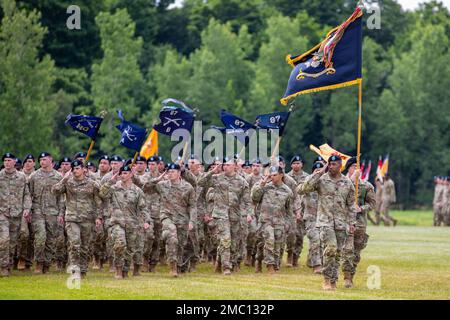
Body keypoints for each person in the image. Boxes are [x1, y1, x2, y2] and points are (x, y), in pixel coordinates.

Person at [297, 155, 357, 290]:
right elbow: (302, 189)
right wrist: (319, 173)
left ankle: (333, 280)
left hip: (341, 223)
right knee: (330, 249)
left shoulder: (347, 183)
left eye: (334, 164)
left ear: (340, 165)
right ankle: (326, 279)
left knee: (337, 254)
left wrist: (352, 223)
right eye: (329, 164)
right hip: (325, 222)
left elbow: (351, 205)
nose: (331, 167)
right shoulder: (321, 180)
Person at [198, 157, 252, 275]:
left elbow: (247, 201)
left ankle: (220, 262)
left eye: (228, 165)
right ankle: (226, 267)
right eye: (224, 165)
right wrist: (212, 171)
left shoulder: (242, 182)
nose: (225, 167)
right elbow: (200, 182)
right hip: (220, 215)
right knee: (225, 239)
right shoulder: (217, 178)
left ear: (235, 166)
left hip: (235, 216)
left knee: (233, 242)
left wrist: (249, 214)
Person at [52, 160, 102, 278]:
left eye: (78, 168)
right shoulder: (68, 182)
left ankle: (83, 269)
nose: (75, 171)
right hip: (72, 218)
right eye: (73, 169)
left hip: (87, 218)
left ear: (84, 169)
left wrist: (98, 217)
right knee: (74, 244)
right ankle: (74, 269)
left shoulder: (92, 184)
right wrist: (64, 178)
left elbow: (98, 201)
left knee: (85, 247)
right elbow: (54, 191)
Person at [99, 165, 150, 279]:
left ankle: (125, 270)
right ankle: (118, 270)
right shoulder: (114, 188)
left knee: (130, 249)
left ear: (131, 174)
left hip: (132, 224)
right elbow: (102, 194)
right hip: (117, 222)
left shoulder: (137, 191)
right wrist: (110, 181)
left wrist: (146, 221)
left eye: (126, 173)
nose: (123, 175)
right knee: (120, 244)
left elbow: (143, 208)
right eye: (121, 173)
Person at [341, 157, 376, 288]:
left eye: (358, 167)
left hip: (360, 223)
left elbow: (372, 204)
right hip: (344, 222)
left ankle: (351, 273)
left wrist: (361, 208)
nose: (356, 169)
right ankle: (347, 277)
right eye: (352, 166)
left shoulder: (366, 186)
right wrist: (351, 181)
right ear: (348, 168)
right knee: (347, 251)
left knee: (356, 253)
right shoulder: (341, 183)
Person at [251, 166, 293, 274]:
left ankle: (274, 265)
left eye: (275, 175)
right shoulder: (264, 187)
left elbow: (289, 210)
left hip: (279, 222)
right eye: (271, 175)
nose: (272, 177)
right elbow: (254, 198)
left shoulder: (287, 191)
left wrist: (288, 224)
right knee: (268, 242)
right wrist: (262, 184)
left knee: (277, 245)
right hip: (265, 221)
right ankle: (268, 266)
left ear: (281, 175)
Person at [28, 152, 64, 274]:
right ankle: (39, 263)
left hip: (53, 212)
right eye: (41, 160)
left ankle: (47, 264)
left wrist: (60, 214)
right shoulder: (34, 176)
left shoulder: (58, 177)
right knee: (40, 237)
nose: (42, 162)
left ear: (50, 160)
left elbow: (61, 198)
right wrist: (28, 210)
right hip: (37, 211)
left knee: (51, 239)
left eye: (44, 159)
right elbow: (29, 195)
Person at [0, 153, 31, 277]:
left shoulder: (22, 177)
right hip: (2, 213)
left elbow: (27, 194)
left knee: (12, 243)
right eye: (5, 160)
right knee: (4, 240)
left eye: (9, 160)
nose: (7, 163)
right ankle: (3, 267)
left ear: (14, 162)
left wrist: (27, 208)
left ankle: (8, 265)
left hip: (16, 214)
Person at [298, 161, 325, 275]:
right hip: (311, 218)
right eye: (316, 170)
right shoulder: (308, 180)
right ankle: (317, 265)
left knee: (323, 241)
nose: (319, 172)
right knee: (315, 240)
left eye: (321, 171)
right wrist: (316, 175)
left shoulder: (326, 182)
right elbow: (302, 189)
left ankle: (318, 261)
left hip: (324, 218)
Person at [287, 155, 309, 267]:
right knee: (291, 234)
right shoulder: (286, 177)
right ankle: (290, 254)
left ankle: (296, 257)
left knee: (300, 235)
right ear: (291, 165)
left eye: (298, 163)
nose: (296, 165)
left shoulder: (307, 177)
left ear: (302, 164)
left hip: (303, 210)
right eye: (294, 163)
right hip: (289, 210)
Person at [16, 154, 36, 271]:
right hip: (20, 210)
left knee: (32, 236)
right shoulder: (20, 176)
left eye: (30, 161)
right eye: (26, 161)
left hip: (36, 209)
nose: (27, 164)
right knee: (22, 235)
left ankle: (28, 260)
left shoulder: (36, 175)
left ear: (34, 163)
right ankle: (19, 259)